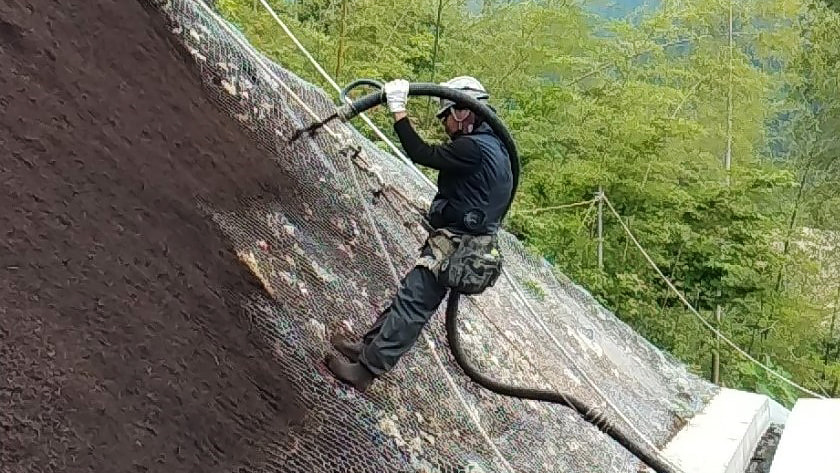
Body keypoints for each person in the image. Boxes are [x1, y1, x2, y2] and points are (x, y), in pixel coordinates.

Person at [324, 76, 513, 392]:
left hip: (458, 244)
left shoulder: (472, 148)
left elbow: (421, 153)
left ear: (462, 113)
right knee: (411, 293)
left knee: (415, 304)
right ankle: (369, 348)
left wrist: (399, 112)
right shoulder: (496, 148)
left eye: (445, 117)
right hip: (466, 241)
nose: (444, 125)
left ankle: (367, 371)